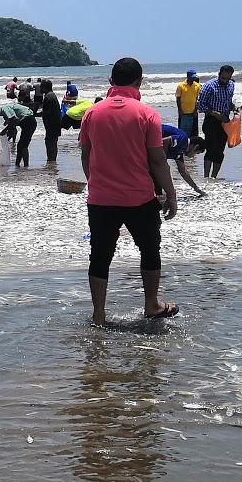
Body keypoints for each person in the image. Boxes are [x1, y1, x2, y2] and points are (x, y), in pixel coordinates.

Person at [78, 57, 179, 325]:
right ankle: (152, 305)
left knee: (100, 254)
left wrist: (95, 182)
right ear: (139, 81)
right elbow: (157, 160)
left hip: (101, 198)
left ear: (111, 81)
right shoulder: (146, 113)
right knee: (149, 248)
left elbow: (86, 156)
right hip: (139, 196)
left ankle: (99, 314)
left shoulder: (92, 113)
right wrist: (171, 194)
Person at [197, 64, 238, 179]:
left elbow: (228, 102)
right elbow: (199, 105)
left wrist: (234, 108)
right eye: (223, 78)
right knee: (211, 149)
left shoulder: (231, 85)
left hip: (225, 122)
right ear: (219, 74)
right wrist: (215, 113)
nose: (225, 81)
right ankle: (206, 177)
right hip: (211, 120)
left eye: (228, 78)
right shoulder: (209, 86)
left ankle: (214, 177)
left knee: (220, 151)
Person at [159, 124, 206, 198]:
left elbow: (183, 171)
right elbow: (165, 141)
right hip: (148, 131)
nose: (193, 156)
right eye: (196, 153)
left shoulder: (180, 151)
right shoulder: (183, 140)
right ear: (195, 147)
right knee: (160, 171)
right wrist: (162, 161)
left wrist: (196, 189)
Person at [0, 99, 38, 167]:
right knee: (20, 145)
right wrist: (8, 135)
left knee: (23, 146)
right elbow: (13, 125)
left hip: (28, 121)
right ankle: (17, 164)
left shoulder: (4, 108)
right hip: (29, 121)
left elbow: (15, 120)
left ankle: (26, 166)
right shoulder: (5, 113)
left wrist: (5, 130)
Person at [40, 81, 63, 164]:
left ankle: (51, 161)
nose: (40, 88)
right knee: (53, 142)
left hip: (52, 124)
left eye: (41, 87)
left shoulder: (48, 96)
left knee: (50, 143)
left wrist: (39, 114)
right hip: (55, 123)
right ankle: (52, 161)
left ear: (44, 87)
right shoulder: (51, 95)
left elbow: (48, 112)